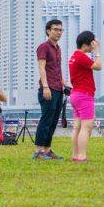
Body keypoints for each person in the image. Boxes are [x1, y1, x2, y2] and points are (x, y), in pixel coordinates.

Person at [34, 19, 70, 160]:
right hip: (48, 88)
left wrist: (65, 84)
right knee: (46, 119)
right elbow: (41, 67)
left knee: (54, 121)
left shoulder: (58, 48)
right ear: (48, 30)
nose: (59, 32)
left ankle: (47, 150)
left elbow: (57, 70)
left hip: (58, 89)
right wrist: (45, 86)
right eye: (56, 29)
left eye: (61, 30)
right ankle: (38, 151)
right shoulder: (44, 47)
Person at [68, 30, 103, 162]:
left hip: (76, 94)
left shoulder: (74, 56)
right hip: (84, 95)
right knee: (86, 127)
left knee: (77, 127)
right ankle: (82, 156)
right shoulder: (81, 56)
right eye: (92, 44)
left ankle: (76, 155)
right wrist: (97, 51)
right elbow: (98, 66)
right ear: (87, 44)